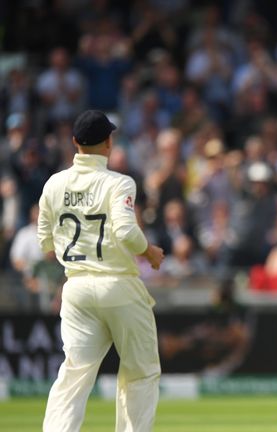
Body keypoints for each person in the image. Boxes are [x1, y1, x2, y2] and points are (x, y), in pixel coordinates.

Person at [37, 110, 165, 431]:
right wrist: (149, 253)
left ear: (75, 143)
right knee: (140, 372)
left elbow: (44, 242)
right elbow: (126, 231)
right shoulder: (119, 182)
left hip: (76, 287)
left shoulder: (54, 184)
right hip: (118, 283)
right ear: (109, 143)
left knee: (74, 374)